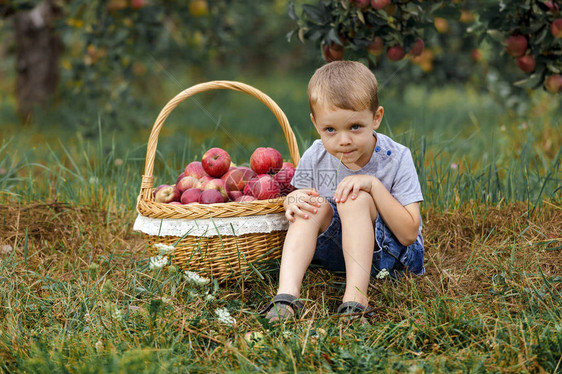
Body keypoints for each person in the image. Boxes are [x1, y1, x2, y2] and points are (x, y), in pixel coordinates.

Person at [261, 61, 425, 321]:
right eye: (330, 130)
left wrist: (373, 186)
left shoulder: (396, 157)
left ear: (376, 117)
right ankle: (286, 298)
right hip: (336, 254)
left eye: (355, 127)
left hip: (390, 259)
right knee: (309, 205)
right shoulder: (315, 155)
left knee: (355, 198)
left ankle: (356, 300)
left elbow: (408, 234)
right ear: (316, 124)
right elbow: (299, 197)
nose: (344, 140)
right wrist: (292, 199)